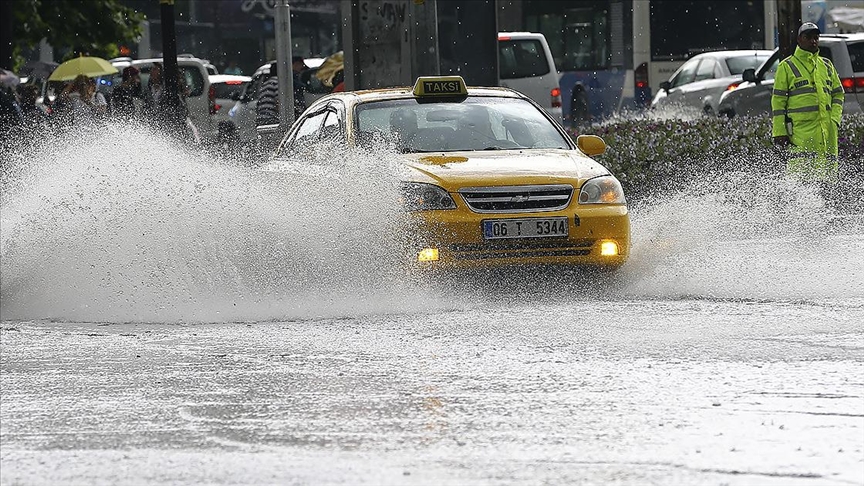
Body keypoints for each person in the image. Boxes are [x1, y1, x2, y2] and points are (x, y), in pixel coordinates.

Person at [771, 22, 844, 182]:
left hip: (827, 134)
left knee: (828, 185)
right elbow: (778, 103)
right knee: (800, 184)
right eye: (808, 37)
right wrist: (779, 132)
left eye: (816, 37)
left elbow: (838, 93)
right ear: (799, 39)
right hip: (800, 134)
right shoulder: (787, 67)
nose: (813, 41)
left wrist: (834, 120)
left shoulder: (826, 65)